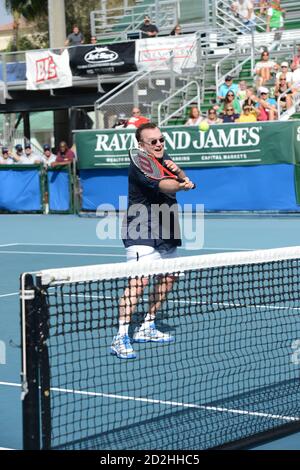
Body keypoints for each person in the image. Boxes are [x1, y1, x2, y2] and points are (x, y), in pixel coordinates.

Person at [111, 122, 195, 359]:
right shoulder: (141, 162)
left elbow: (175, 176)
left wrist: (180, 173)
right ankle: (121, 337)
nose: (159, 144)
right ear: (141, 145)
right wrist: (180, 183)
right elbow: (164, 185)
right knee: (139, 281)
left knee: (168, 276)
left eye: (161, 140)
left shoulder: (162, 156)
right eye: (153, 141)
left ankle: (147, 325)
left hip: (166, 223)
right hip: (141, 227)